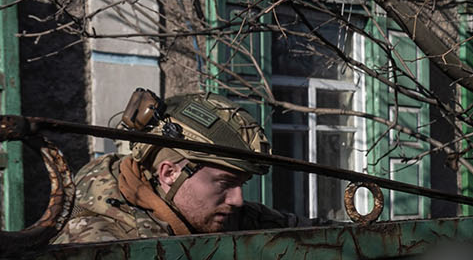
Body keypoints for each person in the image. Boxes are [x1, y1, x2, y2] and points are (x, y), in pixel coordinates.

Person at [53, 89, 295, 243]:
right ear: (169, 173)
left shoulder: (214, 212)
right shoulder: (100, 247)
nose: (237, 200)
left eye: (242, 184)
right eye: (225, 183)